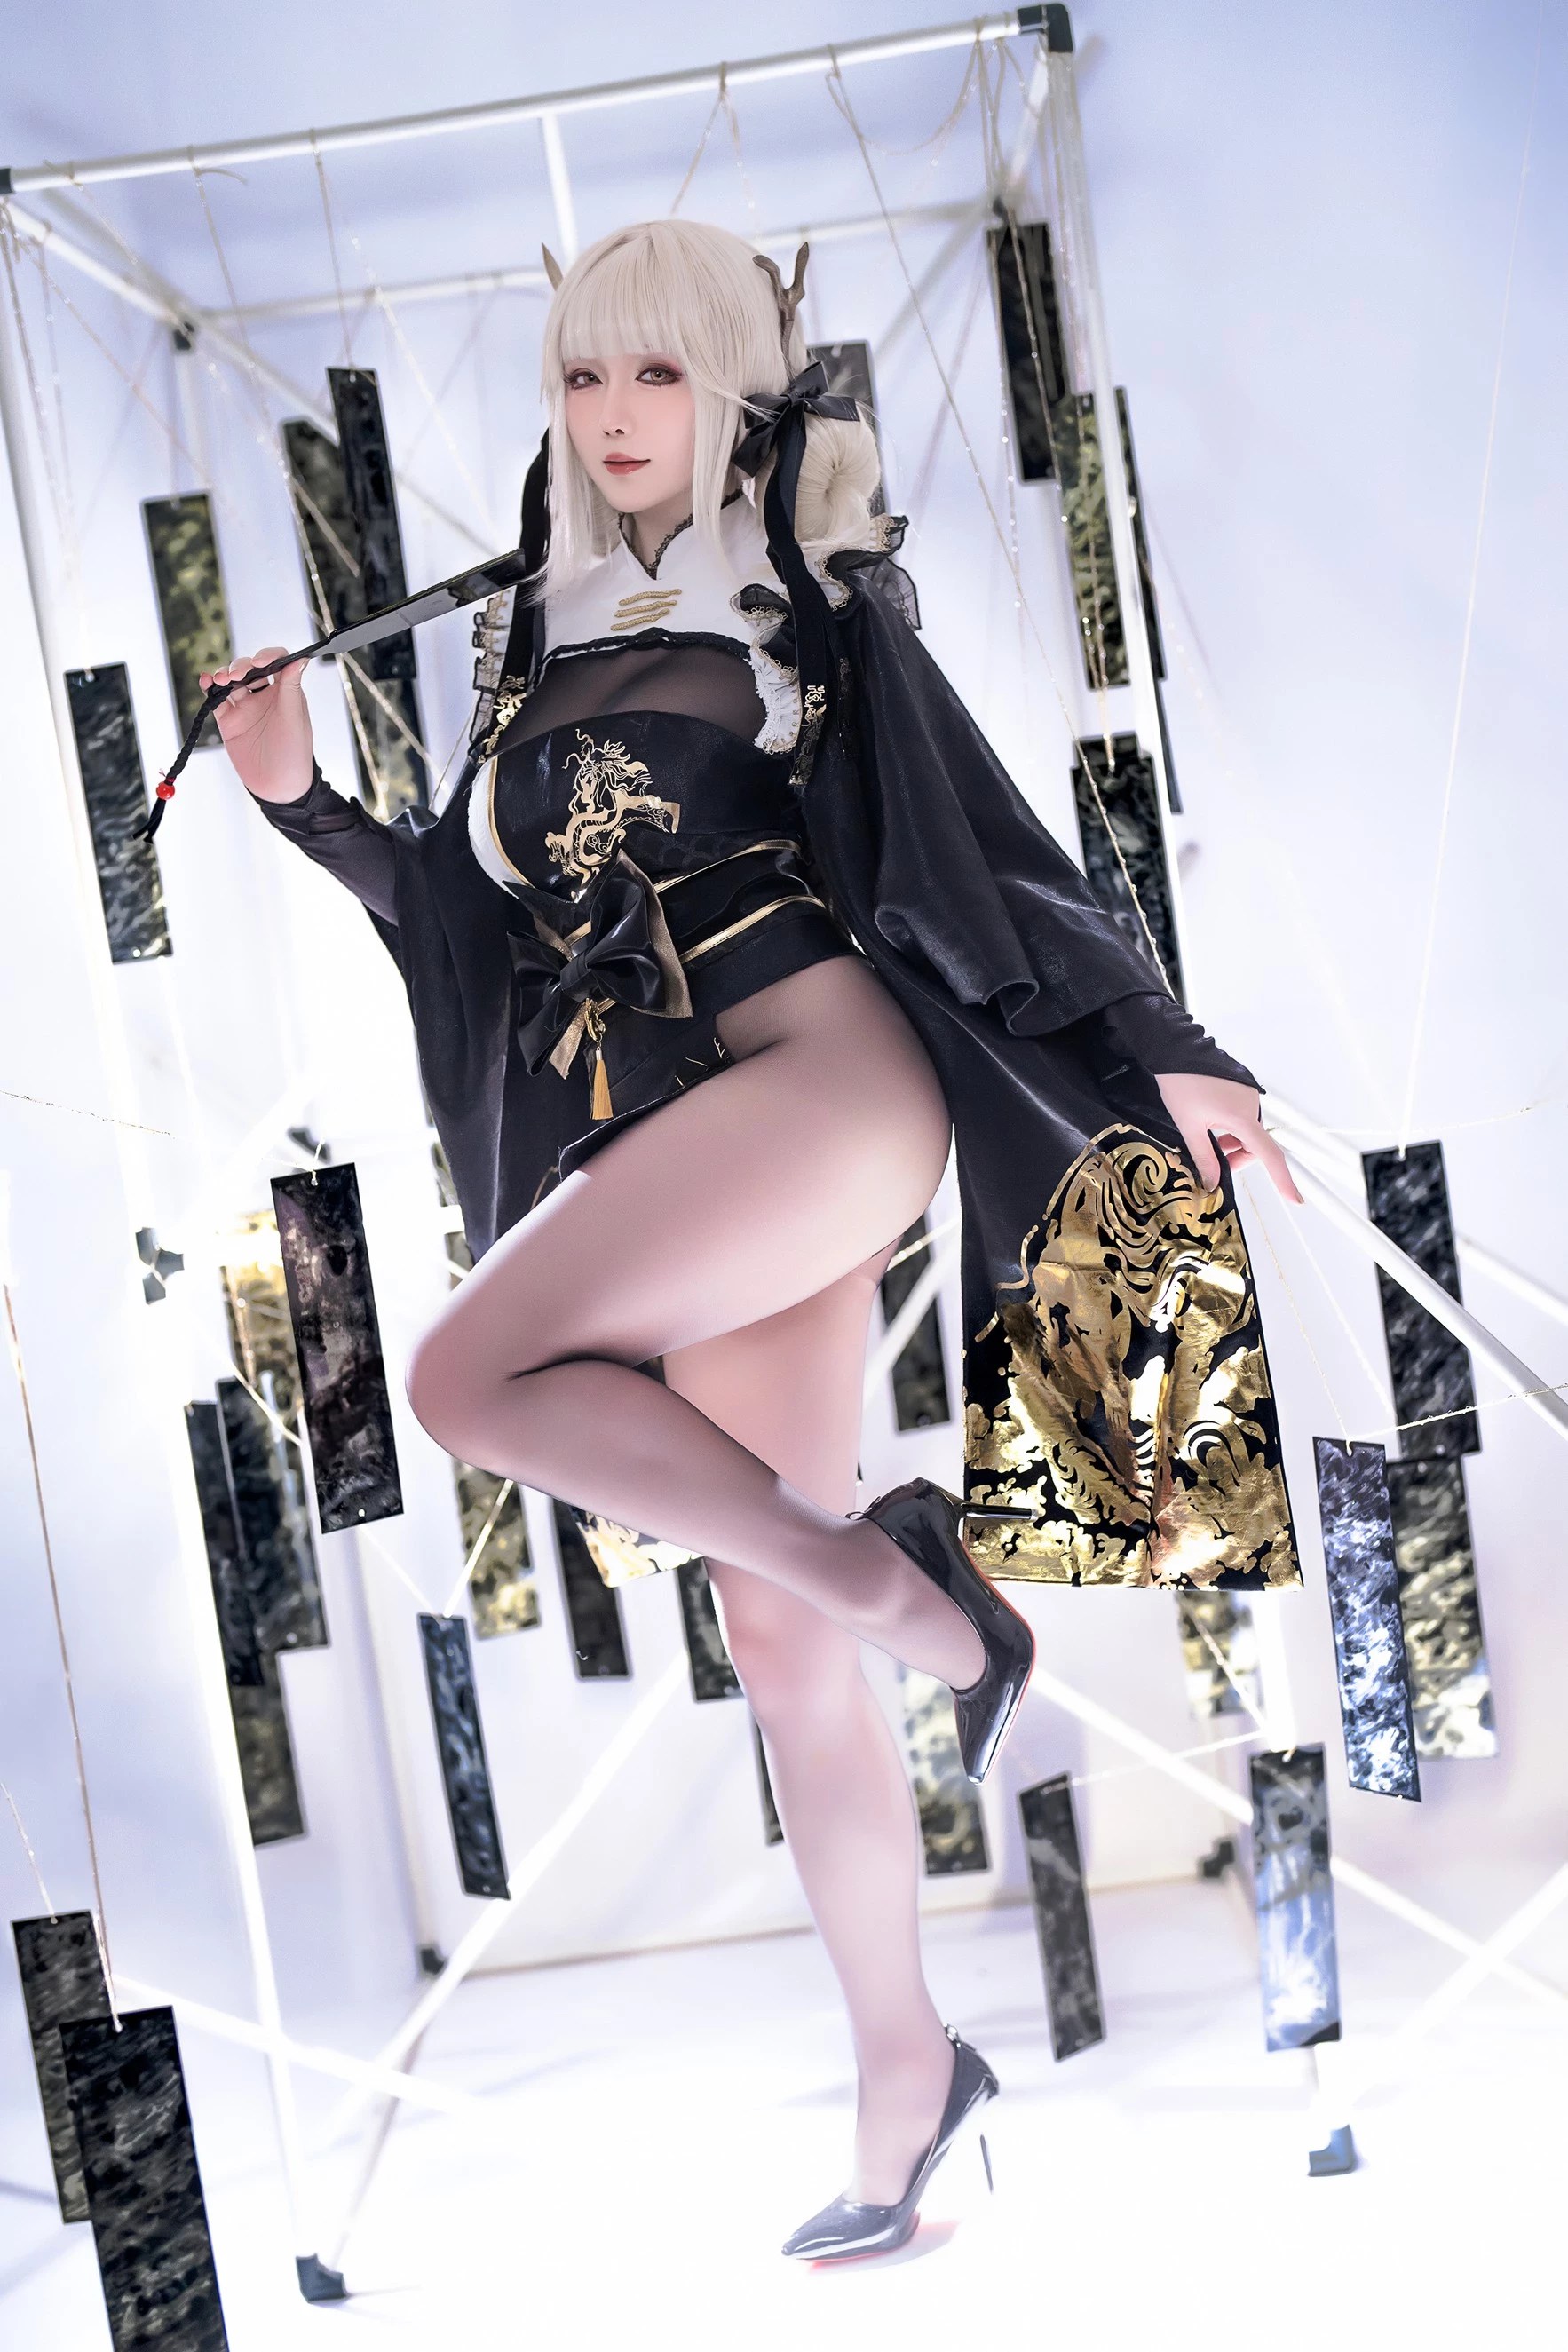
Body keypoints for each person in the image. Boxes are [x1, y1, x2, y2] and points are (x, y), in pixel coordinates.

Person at [206, 218, 1303, 2262]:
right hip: (681, 1131)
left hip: (823, 1082)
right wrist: (303, 804)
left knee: (457, 1373)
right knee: (776, 1622)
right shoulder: (525, 640)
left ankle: (923, 1593)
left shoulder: (806, 594)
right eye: (581, 375)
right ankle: (905, 2076)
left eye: (659, 372)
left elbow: (987, 840)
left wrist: (1175, 1045)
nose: (615, 415)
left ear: (735, 389)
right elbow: (476, 932)